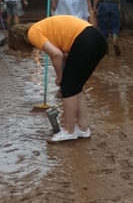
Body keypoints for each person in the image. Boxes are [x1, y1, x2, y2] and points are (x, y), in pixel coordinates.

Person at [6, 15, 107, 143]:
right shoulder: (40, 28)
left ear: (19, 40)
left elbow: (56, 54)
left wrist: (60, 77)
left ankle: (69, 130)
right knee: (77, 87)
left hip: (86, 40)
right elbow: (64, 55)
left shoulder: (33, 33)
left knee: (68, 88)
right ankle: (83, 128)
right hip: (97, 40)